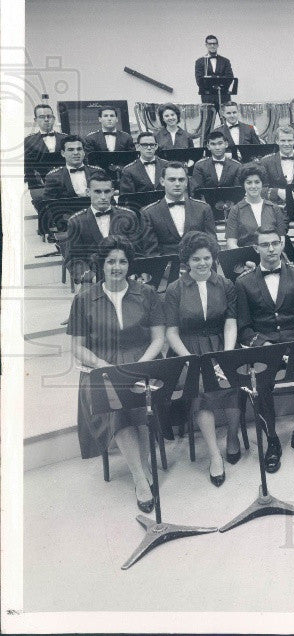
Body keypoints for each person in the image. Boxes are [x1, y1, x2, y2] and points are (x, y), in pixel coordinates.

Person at [67, 235, 165, 513]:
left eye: (122, 261)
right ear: (102, 263)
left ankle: (143, 467)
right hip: (102, 366)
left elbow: (158, 339)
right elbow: (76, 347)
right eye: (111, 261)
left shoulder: (146, 293)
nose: (117, 267)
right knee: (116, 408)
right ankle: (139, 478)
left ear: (129, 264)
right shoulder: (84, 299)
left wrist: (142, 366)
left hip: (141, 361)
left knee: (142, 403)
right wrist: (102, 365)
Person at [234, 228, 294, 471]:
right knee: (259, 383)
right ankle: (272, 439)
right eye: (265, 244)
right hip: (265, 349)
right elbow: (244, 328)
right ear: (256, 248)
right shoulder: (243, 282)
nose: (271, 249)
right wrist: (266, 347)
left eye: (275, 243)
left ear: (282, 245)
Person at [162, 231, 241, 486]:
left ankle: (232, 436)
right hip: (187, 349)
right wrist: (191, 360)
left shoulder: (226, 284)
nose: (203, 263)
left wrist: (226, 354)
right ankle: (214, 455)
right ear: (187, 261)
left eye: (207, 258)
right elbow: (171, 333)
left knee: (233, 384)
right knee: (200, 390)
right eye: (196, 259)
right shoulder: (174, 289)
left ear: (213, 258)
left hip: (221, 343)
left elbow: (230, 323)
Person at [63, 170, 142, 283]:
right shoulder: (76, 222)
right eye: (97, 192)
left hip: (126, 276)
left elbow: (138, 250)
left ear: (113, 192)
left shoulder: (129, 216)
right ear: (88, 192)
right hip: (95, 280)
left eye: (106, 191)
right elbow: (73, 259)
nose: (103, 197)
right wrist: (90, 277)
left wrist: (133, 273)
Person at [138, 162, 215, 256]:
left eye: (181, 180)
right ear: (162, 181)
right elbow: (151, 252)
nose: (177, 184)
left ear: (186, 182)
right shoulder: (148, 213)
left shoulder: (203, 209)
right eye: (172, 180)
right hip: (166, 267)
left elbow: (212, 245)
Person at [225, 163, 287, 248]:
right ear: (244, 185)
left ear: (262, 184)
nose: (253, 186)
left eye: (257, 182)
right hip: (246, 257)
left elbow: (282, 239)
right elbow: (231, 242)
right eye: (249, 183)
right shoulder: (236, 210)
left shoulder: (274, 208)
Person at [259, 126, 294, 203]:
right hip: (274, 207)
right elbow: (259, 189)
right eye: (283, 140)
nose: (287, 144)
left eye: (289, 140)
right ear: (277, 141)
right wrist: (277, 192)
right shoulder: (266, 162)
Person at [42, 135, 102, 202]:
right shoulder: (53, 177)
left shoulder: (98, 172)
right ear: (63, 153)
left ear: (84, 152)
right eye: (71, 150)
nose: (76, 153)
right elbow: (49, 205)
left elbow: (110, 200)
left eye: (79, 149)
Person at [24, 102, 66, 190]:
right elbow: (28, 168)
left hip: (66, 183)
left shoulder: (66, 138)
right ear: (35, 120)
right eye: (42, 117)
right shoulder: (28, 141)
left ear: (54, 119)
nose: (46, 119)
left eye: (49, 116)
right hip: (41, 186)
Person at [195, 34, 234, 105]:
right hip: (207, 96)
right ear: (206, 45)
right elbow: (199, 80)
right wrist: (213, 85)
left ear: (217, 45)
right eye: (210, 44)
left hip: (223, 95)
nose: (212, 46)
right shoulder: (200, 61)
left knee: (225, 116)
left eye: (214, 43)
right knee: (208, 116)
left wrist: (220, 86)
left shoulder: (225, 61)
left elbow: (230, 77)